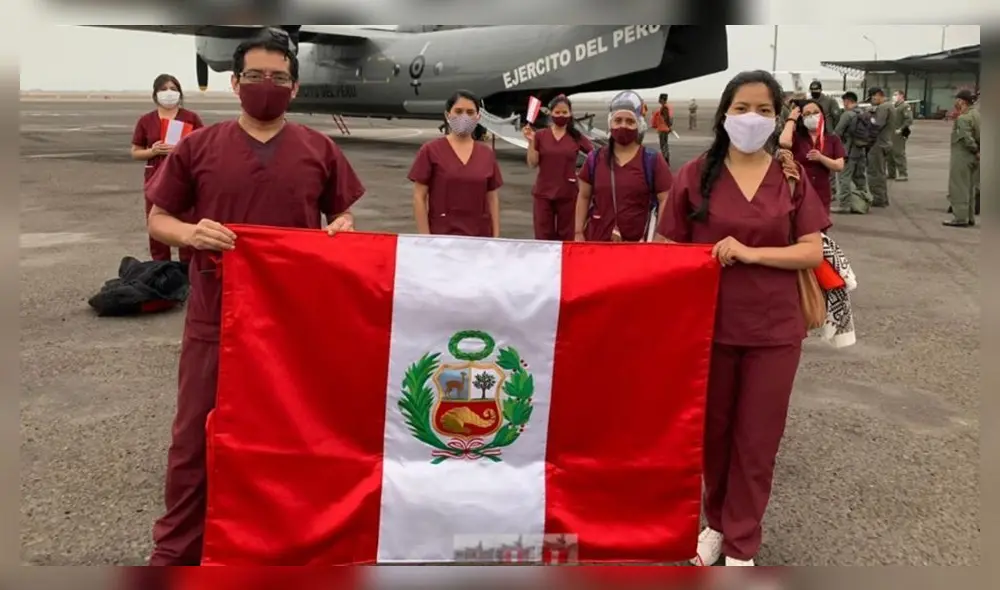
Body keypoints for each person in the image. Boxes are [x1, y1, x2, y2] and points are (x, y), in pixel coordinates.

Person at [143, 34, 366, 566]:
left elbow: (342, 217)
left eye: (279, 79)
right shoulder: (199, 147)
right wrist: (191, 234)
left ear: (295, 86)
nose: (268, 88)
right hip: (216, 315)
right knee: (196, 439)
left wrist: (342, 226)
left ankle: (284, 544)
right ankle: (178, 550)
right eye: (257, 78)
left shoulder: (319, 149)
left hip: (292, 324)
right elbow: (159, 219)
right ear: (235, 82)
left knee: (293, 435)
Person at [654, 70, 829, 567]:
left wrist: (753, 255)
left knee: (757, 440)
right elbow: (667, 249)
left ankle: (742, 542)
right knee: (714, 436)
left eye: (764, 110)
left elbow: (811, 252)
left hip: (773, 330)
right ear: (724, 114)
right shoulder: (695, 175)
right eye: (742, 108)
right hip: (709, 328)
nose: (752, 118)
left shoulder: (789, 177)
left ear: (777, 118)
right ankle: (716, 525)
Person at [574, 91, 672, 242]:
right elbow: (584, 196)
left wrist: (660, 236)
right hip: (597, 244)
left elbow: (665, 199)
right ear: (610, 123)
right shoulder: (595, 159)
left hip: (637, 248)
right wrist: (578, 233)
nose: (623, 126)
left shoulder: (652, 160)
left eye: (630, 121)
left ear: (639, 125)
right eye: (618, 120)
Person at [130, 74, 204, 264]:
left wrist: (181, 149)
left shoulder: (191, 118)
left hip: (184, 176)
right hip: (156, 175)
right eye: (163, 90)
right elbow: (135, 151)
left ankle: (188, 269)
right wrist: (152, 151)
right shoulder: (146, 120)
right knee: (156, 223)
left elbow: (203, 146)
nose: (169, 93)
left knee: (186, 221)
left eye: (173, 88)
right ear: (155, 94)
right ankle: (160, 267)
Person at [410, 89, 503, 237]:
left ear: (478, 117)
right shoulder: (430, 151)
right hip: (442, 236)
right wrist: (425, 238)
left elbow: (492, 198)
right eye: (458, 111)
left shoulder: (487, 154)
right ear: (448, 115)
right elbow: (419, 197)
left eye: (470, 112)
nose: (464, 117)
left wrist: (496, 237)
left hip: (479, 236)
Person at [523, 95, 594, 240]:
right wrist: (530, 142)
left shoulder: (575, 136)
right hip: (544, 193)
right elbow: (532, 163)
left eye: (564, 113)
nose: (561, 116)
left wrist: (582, 174)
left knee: (566, 235)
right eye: (557, 112)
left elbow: (593, 155)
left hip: (568, 193)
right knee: (543, 235)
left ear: (570, 114)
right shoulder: (541, 135)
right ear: (550, 113)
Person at [778, 99, 845, 212]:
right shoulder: (797, 137)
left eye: (815, 112)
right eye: (807, 114)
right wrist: (791, 119)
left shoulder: (832, 139)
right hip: (799, 191)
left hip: (821, 193)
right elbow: (784, 142)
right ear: (802, 118)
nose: (812, 116)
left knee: (821, 228)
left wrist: (821, 158)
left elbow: (839, 166)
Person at [831, 92, 873, 214]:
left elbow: (837, 132)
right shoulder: (863, 113)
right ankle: (864, 202)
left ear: (847, 101)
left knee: (844, 178)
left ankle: (844, 205)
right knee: (860, 178)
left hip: (848, 151)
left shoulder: (847, 115)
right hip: (861, 150)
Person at [943, 89, 980, 227]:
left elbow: (966, 137)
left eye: (957, 99)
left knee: (959, 187)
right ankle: (969, 217)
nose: (955, 102)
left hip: (963, 156)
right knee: (970, 187)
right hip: (974, 158)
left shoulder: (963, 118)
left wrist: (975, 149)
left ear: (961, 101)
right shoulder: (977, 114)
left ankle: (960, 218)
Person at [865, 87, 892, 207]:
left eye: (872, 97)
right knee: (880, 171)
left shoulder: (883, 107)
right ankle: (882, 197)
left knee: (875, 172)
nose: (871, 100)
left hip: (878, 144)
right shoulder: (889, 106)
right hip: (885, 142)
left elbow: (876, 124)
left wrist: (869, 116)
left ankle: (878, 198)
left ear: (878, 95)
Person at [887, 90, 913, 181]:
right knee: (889, 154)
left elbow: (908, 120)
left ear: (901, 96)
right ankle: (891, 173)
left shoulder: (905, 106)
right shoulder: (894, 106)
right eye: (893, 95)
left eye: (896, 95)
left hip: (898, 134)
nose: (893, 96)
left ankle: (903, 174)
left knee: (898, 153)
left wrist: (901, 129)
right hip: (891, 133)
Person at [650, 93, 674, 163]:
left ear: (662, 100)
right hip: (663, 129)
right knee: (664, 145)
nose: (659, 100)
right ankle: (666, 160)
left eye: (660, 99)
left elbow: (666, 118)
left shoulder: (664, 108)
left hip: (663, 130)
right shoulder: (665, 107)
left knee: (663, 145)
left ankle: (665, 161)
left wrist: (669, 127)